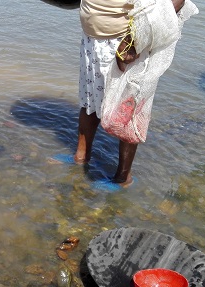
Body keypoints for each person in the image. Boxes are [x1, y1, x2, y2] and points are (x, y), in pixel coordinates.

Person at [73, 0, 190, 187]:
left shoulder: (130, 43)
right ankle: (81, 158)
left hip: (123, 45)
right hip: (91, 40)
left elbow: (177, 1)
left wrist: (134, 42)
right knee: (89, 102)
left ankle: (122, 178)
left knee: (127, 114)